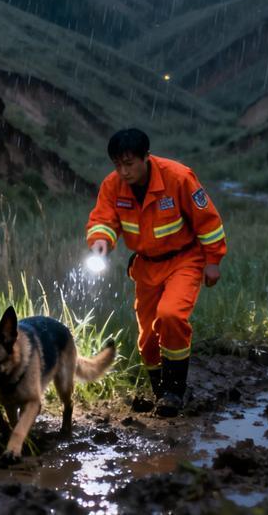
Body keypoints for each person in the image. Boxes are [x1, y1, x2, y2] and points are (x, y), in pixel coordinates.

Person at [85, 129, 226, 416]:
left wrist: (213, 261)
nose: (123, 172)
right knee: (148, 337)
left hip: (184, 259)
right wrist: (101, 241)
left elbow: (208, 221)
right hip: (145, 266)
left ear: (146, 158)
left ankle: (175, 391)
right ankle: (160, 392)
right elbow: (103, 220)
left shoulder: (178, 177)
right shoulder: (112, 186)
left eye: (129, 164)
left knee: (171, 315)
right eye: (117, 165)